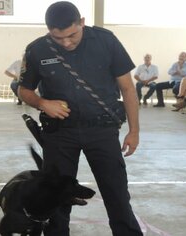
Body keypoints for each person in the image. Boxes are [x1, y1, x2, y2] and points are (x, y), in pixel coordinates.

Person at [18, 2, 142, 235]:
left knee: (116, 193)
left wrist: (134, 131)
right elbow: (23, 90)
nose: (66, 42)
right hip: (59, 134)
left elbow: (127, 89)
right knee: (56, 197)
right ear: (48, 30)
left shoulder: (106, 41)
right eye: (58, 38)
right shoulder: (37, 50)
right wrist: (43, 103)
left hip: (102, 131)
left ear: (82, 22)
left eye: (72, 35)